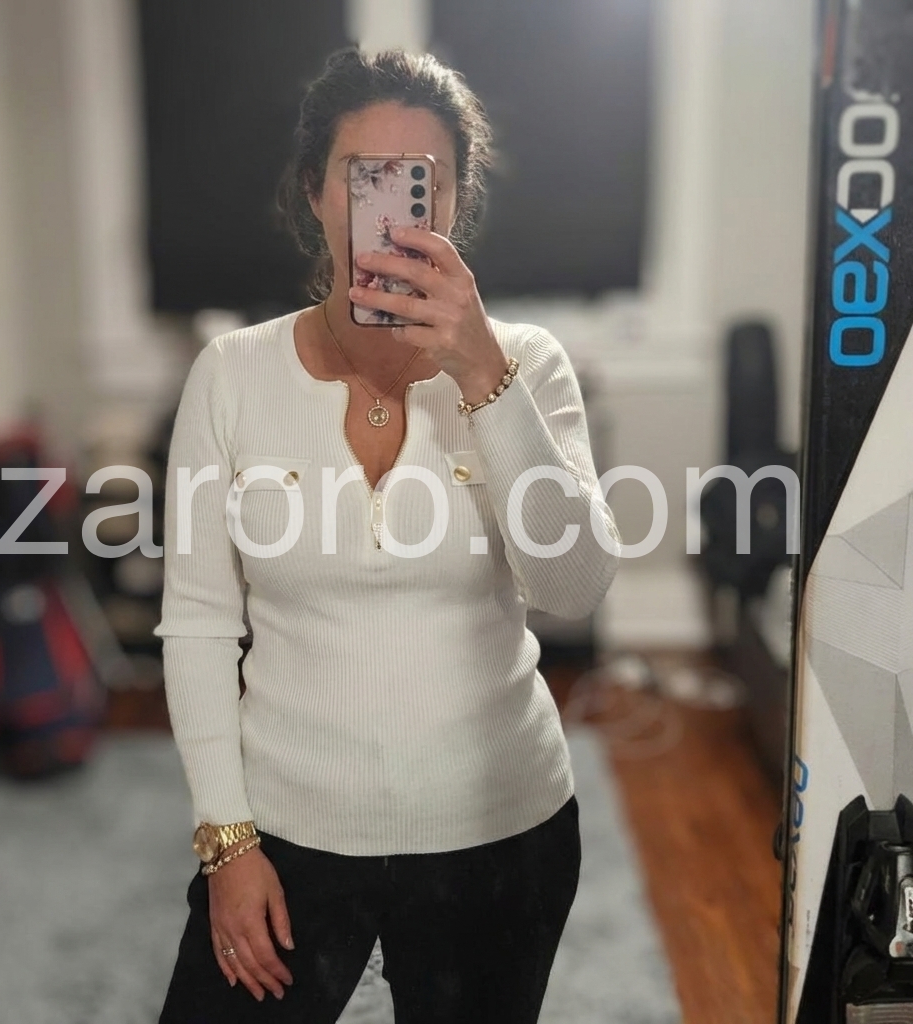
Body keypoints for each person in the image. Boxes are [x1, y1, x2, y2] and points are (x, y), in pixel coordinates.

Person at [155, 46, 621, 1024]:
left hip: (498, 831)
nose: (393, 208)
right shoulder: (231, 374)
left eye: (421, 181)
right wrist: (227, 841)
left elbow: (572, 587)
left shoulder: (525, 365)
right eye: (363, 177)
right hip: (286, 826)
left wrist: (482, 375)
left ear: (451, 201)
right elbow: (198, 622)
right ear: (315, 193)